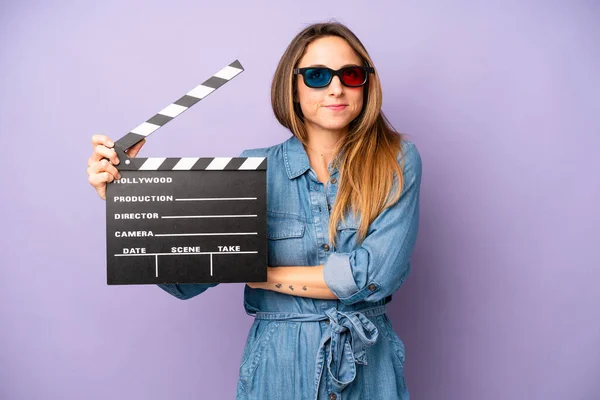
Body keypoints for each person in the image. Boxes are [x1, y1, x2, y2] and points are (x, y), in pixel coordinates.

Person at [87, 21, 422, 400]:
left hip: (368, 368)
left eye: (351, 74)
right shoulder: (252, 172)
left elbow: (374, 275)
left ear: (366, 83)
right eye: (316, 75)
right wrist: (125, 197)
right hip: (278, 367)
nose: (336, 87)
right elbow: (185, 280)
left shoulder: (397, 162)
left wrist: (261, 275)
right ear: (292, 87)